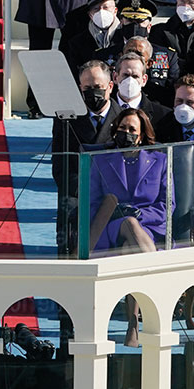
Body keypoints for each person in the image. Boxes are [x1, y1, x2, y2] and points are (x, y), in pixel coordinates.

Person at [51, 60, 122, 254]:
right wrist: (84, 190)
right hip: (77, 193)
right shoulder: (65, 119)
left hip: (115, 195)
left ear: (110, 86)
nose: (93, 92)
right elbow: (60, 166)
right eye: (87, 88)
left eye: (98, 87)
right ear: (80, 89)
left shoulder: (124, 118)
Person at [88, 107, 170, 255]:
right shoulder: (100, 160)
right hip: (112, 224)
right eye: (122, 128)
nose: (126, 133)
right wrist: (117, 214)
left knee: (128, 247)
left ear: (141, 135)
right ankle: (157, 269)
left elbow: (168, 204)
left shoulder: (160, 161)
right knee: (129, 222)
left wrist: (140, 214)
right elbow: (92, 202)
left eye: (132, 130)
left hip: (149, 225)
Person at [61, 0, 123, 76]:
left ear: (115, 11)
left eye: (106, 7)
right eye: (96, 9)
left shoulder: (125, 37)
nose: (101, 12)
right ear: (90, 15)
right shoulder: (77, 42)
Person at [112, 51, 170, 125]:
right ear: (115, 77)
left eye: (135, 76)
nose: (130, 80)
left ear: (144, 80)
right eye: (125, 75)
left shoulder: (162, 115)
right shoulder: (103, 110)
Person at [123, 32, 180, 107]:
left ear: (149, 63)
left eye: (139, 54)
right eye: (129, 52)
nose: (133, 57)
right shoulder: (114, 86)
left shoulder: (157, 93)